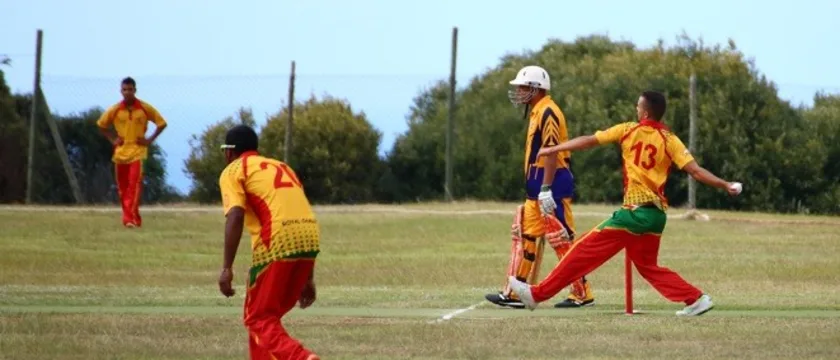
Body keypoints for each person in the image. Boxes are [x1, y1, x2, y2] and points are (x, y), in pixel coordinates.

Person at [508, 90, 742, 316]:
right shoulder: (670, 139)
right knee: (648, 267)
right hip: (656, 216)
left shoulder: (628, 130)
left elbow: (589, 141)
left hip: (633, 214)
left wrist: (555, 148)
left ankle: (535, 295)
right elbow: (696, 171)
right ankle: (697, 299)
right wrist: (725, 185)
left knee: (580, 250)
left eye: (639, 106)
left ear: (646, 113)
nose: (636, 109)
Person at [485, 65, 596, 309]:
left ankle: (582, 293)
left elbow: (552, 152)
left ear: (536, 88)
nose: (519, 91)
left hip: (553, 184)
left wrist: (546, 188)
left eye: (523, 87)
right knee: (527, 237)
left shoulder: (549, 112)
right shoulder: (537, 111)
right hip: (537, 186)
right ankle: (516, 293)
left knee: (561, 238)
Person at [216, 125, 321, 360]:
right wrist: (308, 278)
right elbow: (298, 211)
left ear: (229, 152)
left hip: (276, 241)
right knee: (266, 319)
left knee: (257, 317)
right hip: (309, 235)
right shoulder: (282, 167)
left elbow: (235, 215)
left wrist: (226, 268)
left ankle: (300, 357)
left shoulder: (234, 170)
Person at [96, 77, 167, 228]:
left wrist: (149, 140)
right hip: (120, 154)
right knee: (122, 188)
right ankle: (132, 217)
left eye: (130, 89)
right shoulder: (115, 109)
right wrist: (112, 139)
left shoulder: (144, 108)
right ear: (121, 91)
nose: (127, 92)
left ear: (135, 90)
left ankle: (129, 219)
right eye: (124, 90)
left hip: (137, 152)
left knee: (134, 186)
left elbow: (161, 123)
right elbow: (101, 125)